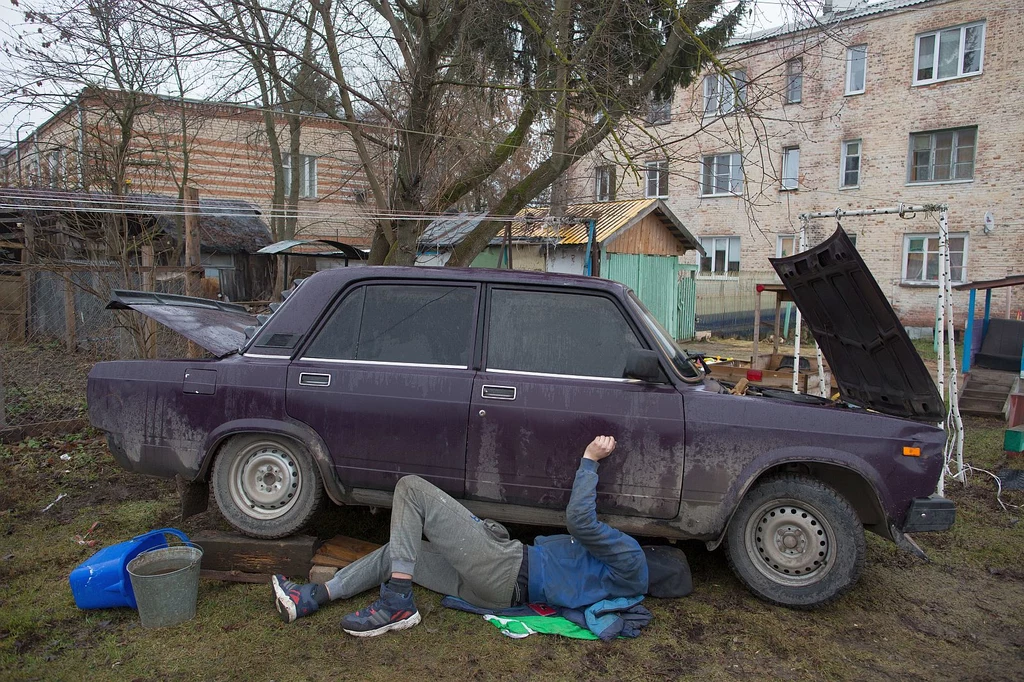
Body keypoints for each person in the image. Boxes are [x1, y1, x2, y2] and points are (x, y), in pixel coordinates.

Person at [272, 435, 691, 638]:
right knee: (401, 553)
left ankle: (397, 604)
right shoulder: (631, 587)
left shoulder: (633, 560)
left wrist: (590, 460)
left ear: (658, 556)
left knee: (410, 488)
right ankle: (310, 598)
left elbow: (580, 520)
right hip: (498, 593)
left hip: (505, 568)